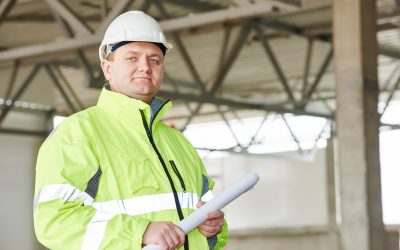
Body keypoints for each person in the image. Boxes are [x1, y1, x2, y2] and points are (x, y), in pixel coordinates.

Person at [33, 10, 229, 250]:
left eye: (154, 59)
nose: (145, 67)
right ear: (107, 68)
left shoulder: (179, 142)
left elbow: (207, 211)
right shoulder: (78, 134)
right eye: (132, 57)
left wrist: (213, 228)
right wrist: (140, 231)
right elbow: (54, 222)